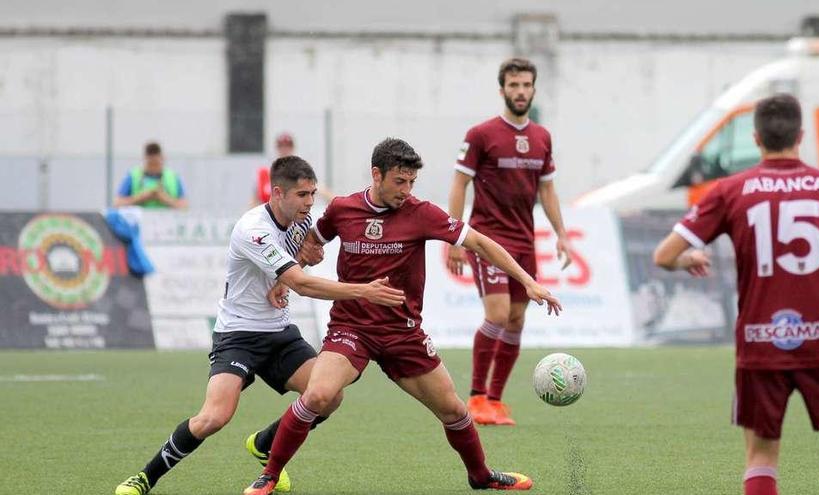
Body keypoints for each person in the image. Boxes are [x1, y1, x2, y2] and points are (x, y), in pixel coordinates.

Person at [241, 138, 562, 494]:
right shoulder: (343, 210)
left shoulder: (422, 213)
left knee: (454, 410)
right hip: (352, 328)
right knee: (317, 395)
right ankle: (269, 474)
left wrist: (528, 282)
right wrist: (291, 274)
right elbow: (313, 242)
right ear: (376, 175)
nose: (406, 191)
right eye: (399, 182)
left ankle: (481, 476)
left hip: (403, 333)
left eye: (411, 182)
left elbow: (481, 243)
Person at [114, 156, 406, 495]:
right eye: (302, 195)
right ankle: (144, 478)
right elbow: (303, 284)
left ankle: (267, 444)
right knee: (214, 417)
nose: (310, 202)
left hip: (279, 333)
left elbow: (295, 261)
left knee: (328, 396)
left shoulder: (300, 220)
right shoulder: (253, 230)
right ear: (277, 193)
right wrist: (364, 291)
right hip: (238, 334)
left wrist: (300, 260)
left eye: (313, 193)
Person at [653, 93, 819, 495]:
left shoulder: (730, 190)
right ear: (802, 135)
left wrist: (688, 259)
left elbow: (663, 255)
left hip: (760, 341)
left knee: (761, 455)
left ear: (756, 138)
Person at [446, 57, 571, 426]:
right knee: (498, 314)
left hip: (523, 241)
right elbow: (459, 183)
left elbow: (547, 190)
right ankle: (475, 398)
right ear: (502, 90)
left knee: (516, 320)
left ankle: (495, 401)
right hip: (487, 237)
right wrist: (455, 237)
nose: (520, 91)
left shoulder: (542, 138)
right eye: (513, 85)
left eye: (526, 85)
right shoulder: (481, 135)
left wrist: (561, 233)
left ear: (534, 89)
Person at [115, 142, 188, 209]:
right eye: (150, 164)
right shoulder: (133, 176)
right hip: (139, 222)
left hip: (167, 221)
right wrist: (142, 197)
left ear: (162, 158)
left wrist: (163, 198)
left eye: (156, 164)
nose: (153, 167)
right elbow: (117, 203)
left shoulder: (173, 177)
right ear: (145, 159)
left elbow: (184, 206)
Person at [253, 133, 296, 207]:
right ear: (277, 149)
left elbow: (315, 189)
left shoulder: (300, 172)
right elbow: (255, 198)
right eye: (281, 146)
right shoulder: (266, 172)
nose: (284, 150)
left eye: (287, 146)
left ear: (292, 149)